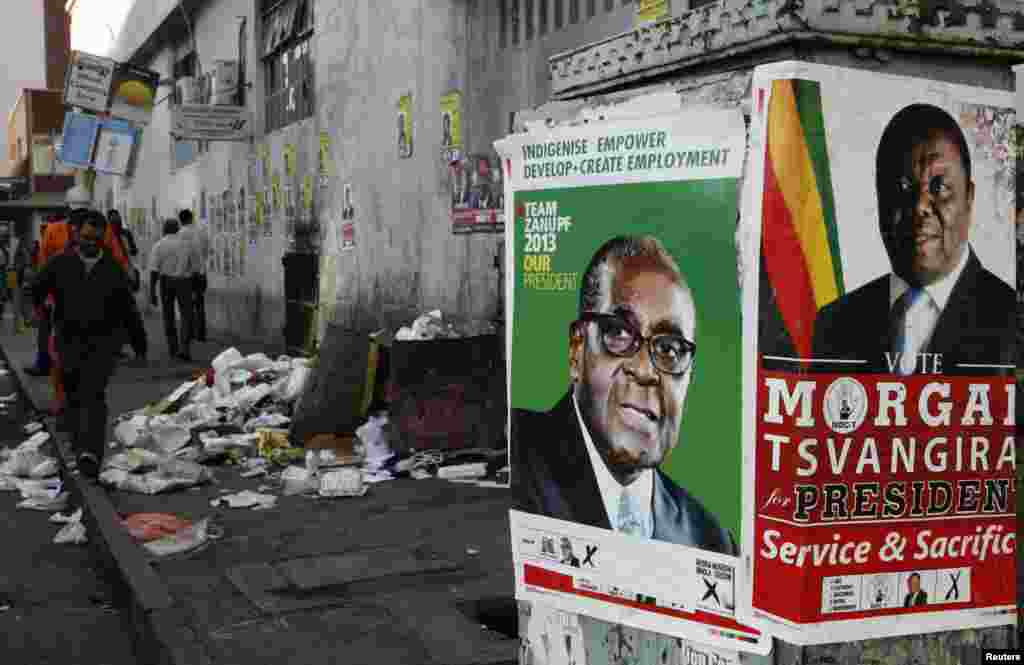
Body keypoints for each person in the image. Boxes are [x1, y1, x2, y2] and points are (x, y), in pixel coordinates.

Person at [512, 235, 735, 553]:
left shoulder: (712, 541)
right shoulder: (513, 462)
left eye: (670, 349)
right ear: (577, 351)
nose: (644, 370)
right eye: (618, 332)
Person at [812, 104, 1015, 376]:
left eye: (939, 186)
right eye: (901, 187)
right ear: (879, 199)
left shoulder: (1011, 317)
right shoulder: (834, 324)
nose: (920, 205)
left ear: (969, 197)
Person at [31, 210, 146, 478]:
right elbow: (35, 288)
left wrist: (140, 345)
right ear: (76, 235)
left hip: (103, 344)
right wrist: (38, 310)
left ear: (103, 237)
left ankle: (91, 453)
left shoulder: (112, 269)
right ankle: (78, 446)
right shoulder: (60, 263)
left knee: (94, 396)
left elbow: (129, 310)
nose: (91, 243)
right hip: (68, 341)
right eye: (86, 237)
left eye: (96, 238)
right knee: (72, 397)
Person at [149, 218, 195, 361]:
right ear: (178, 229)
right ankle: (185, 349)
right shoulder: (186, 244)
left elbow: (154, 270)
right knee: (186, 315)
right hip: (184, 281)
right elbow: (193, 266)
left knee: (168, 315)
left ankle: (173, 349)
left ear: (164, 229)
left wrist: (152, 291)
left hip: (166, 282)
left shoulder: (158, 245)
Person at [176, 209, 209, 342]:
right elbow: (206, 249)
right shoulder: (201, 231)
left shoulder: (180, 234)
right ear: (191, 218)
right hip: (200, 272)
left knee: (186, 305)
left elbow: (181, 256)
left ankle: (189, 332)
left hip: (186, 274)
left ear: (181, 220)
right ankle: (200, 333)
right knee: (199, 303)